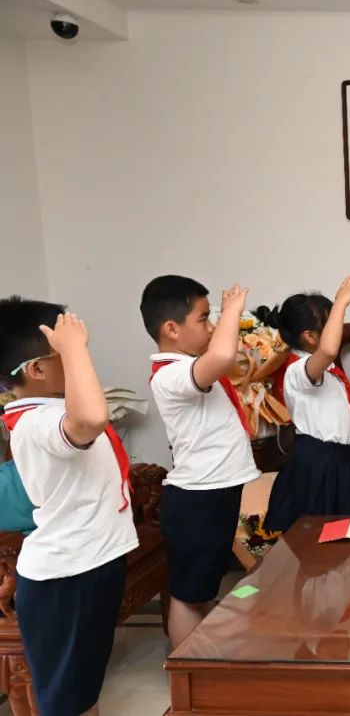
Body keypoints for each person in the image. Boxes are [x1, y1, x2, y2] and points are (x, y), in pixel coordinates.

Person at [0, 298, 137, 716]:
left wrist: (70, 350)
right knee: (66, 701)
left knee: (82, 691)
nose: (80, 358)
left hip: (90, 564)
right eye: (64, 352)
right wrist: (75, 347)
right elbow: (91, 419)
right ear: (37, 370)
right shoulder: (36, 422)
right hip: (65, 579)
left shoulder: (50, 410)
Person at [140, 276, 260, 647]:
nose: (210, 327)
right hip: (197, 499)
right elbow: (222, 357)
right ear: (172, 328)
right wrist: (233, 311)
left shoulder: (187, 367)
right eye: (204, 318)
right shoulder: (171, 375)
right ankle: (186, 673)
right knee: (189, 596)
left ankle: (205, 661)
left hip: (214, 491)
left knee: (203, 589)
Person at [260, 276, 350, 533]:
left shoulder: (326, 370)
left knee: (344, 536)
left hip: (337, 460)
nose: (337, 328)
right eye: (331, 323)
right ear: (310, 336)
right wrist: (341, 303)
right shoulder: (297, 369)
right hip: (318, 461)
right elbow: (329, 350)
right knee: (317, 537)